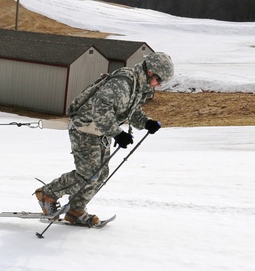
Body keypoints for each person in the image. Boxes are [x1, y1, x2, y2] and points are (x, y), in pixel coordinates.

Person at [34, 51, 174, 225]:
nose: (159, 85)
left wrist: (147, 123)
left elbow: (131, 111)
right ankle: (47, 194)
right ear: (151, 71)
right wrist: (117, 133)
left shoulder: (138, 86)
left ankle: (75, 210)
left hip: (100, 132)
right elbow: (100, 109)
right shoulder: (122, 83)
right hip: (85, 129)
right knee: (88, 174)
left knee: (100, 174)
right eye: (159, 80)